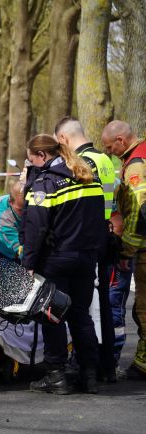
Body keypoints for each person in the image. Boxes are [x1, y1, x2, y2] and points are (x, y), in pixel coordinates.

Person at [23, 134, 105, 395]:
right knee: (81, 317)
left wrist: (29, 264)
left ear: (42, 156)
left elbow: (36, 228)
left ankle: (56, 376)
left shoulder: (44, 183)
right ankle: (89, 375)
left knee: (53, 318)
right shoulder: (88, 176)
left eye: (31, 159)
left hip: (56, 260)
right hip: (86, 257)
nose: (30, 163)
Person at [55, 117, 119, 382]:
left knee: (84, 307)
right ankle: (106, 364)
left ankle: (85, 361)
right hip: (104, 237)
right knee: (101, 303)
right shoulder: (105, 160)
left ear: (64, 140)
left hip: (85, 240)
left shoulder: (81, 164)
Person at [101, 120, 146, 379]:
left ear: (120, 140)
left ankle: (143, 365)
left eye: (110, 147)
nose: (109, 152)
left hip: (143, 250)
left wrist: (126, 250)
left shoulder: (136, 164)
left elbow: (139, 212)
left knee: (143, 309)